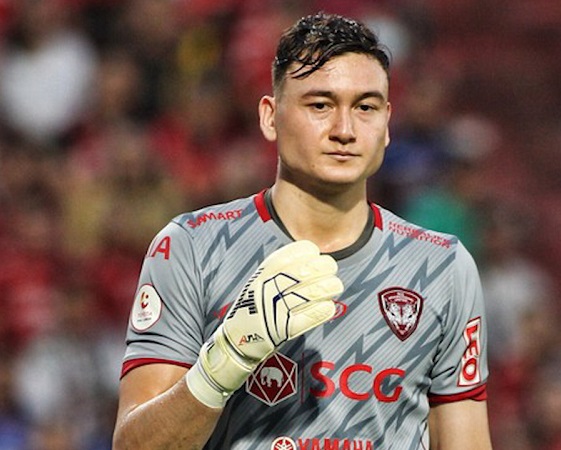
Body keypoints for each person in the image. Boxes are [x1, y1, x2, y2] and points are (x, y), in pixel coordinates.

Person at [112, 12, 492, 450]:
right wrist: (220, 367)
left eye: (365, 108)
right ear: (270, 117)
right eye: (320, 105)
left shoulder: (443, 267)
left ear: (387, 124)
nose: (345, 130)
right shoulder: (191, 249)